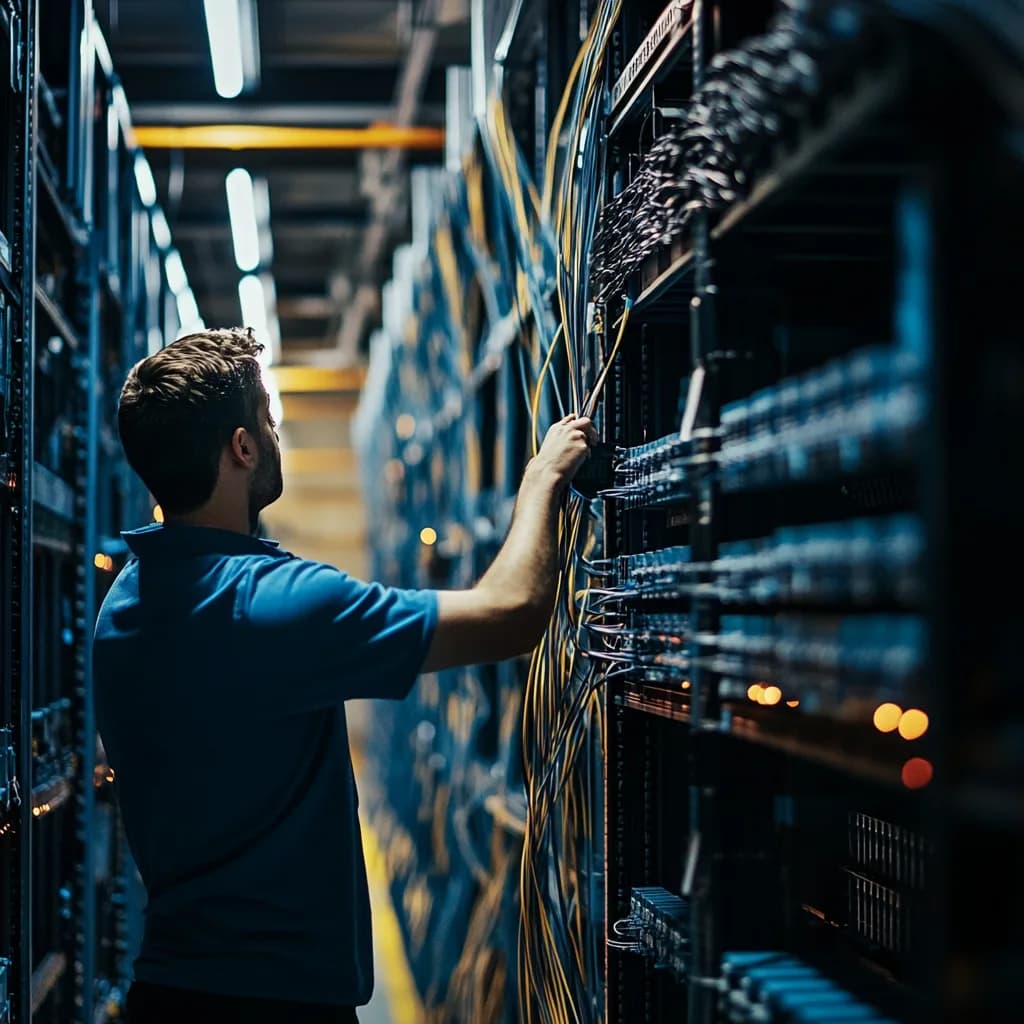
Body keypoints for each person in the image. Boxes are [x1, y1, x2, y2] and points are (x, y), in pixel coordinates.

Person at [93, 327, 596, 1024]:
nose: (274, 435)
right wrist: (541, 480)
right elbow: (510, 614)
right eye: (267, 421)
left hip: (168, 992)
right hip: (281, 1000)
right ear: (241, 447)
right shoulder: (276, 604)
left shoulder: (122, 606)